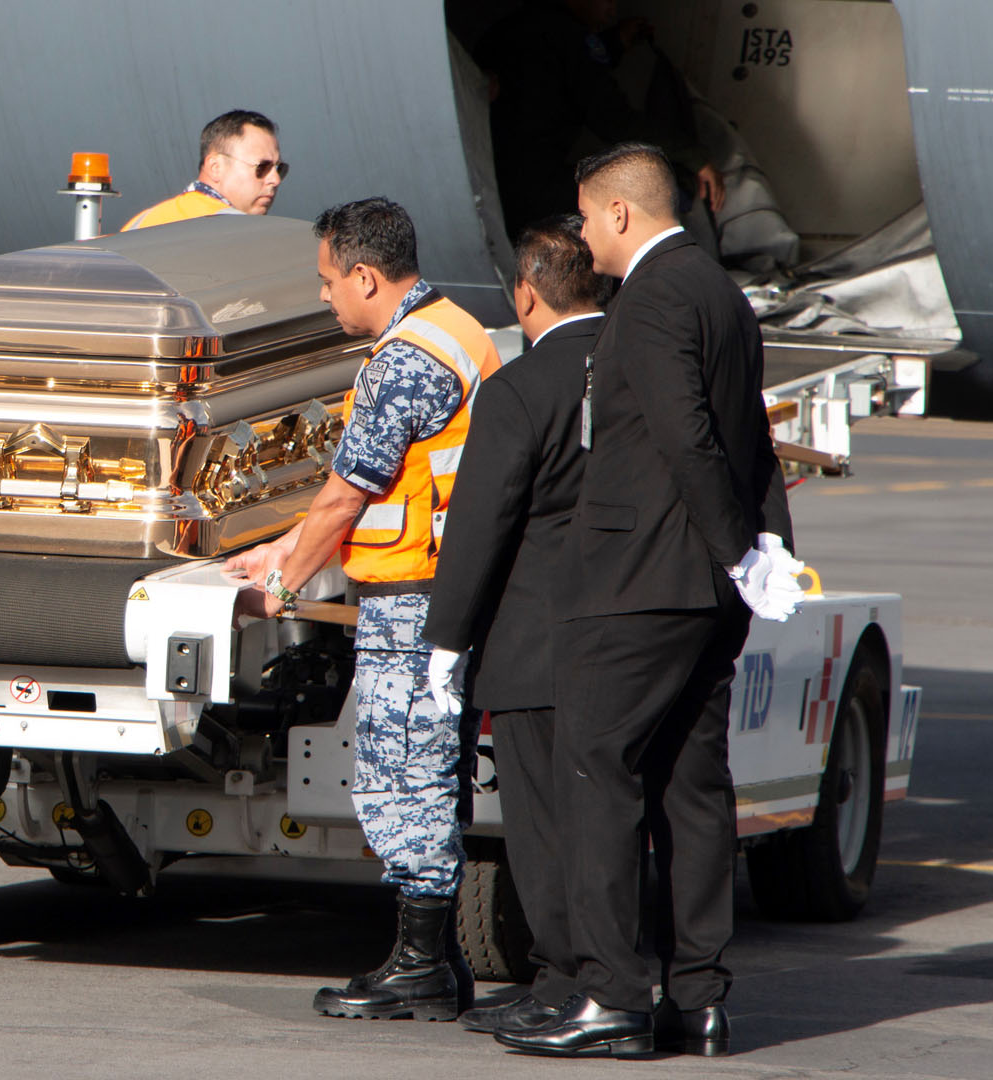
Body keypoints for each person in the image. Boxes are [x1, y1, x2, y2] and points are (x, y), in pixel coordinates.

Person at [495, 143, 801, 1059]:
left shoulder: (656, 295)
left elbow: (687, 435)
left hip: (638, 583)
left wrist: (738, 547)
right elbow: (751, 438)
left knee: (596, 774)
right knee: (690, 786)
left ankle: (613, 995)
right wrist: (763, 548)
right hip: (702, 589)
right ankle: (698, 997)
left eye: (589, 217)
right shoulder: (720, 292)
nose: (585, 237)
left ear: (621, 213)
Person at [226, 197, 500, 1021]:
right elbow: (375, 487)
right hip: (447, 590)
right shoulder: (455, 328)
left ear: (367, 276)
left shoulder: (402, 360)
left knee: (400, 777)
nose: (324, 296)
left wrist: (280, 588)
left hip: (411, 603)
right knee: (432, 772)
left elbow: (348, 496)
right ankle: (439, 961)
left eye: (328, 280)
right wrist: (284, 548)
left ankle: (419, 966)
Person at [420, 216, 610, 1036]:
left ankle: (562, 977)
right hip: (631, 634)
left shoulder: (521, 388)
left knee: (541, 826)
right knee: (611, 817)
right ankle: (618, 975)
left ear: (526, 295)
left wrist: (447, 636)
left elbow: (480, 523)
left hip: (537, 639)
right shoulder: (640, 368)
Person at [471, 0, 723, 240]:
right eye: (607, 0)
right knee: (648, 196)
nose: (612, 10)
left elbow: (563, 72)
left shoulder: (513, 28)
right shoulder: (568, 35)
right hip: (534, 189)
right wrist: (694, 157)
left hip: (487, 181)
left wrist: (612, 43)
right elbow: (615, 121)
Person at [120, 109, 286, 230]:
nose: (275, 180)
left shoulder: (140, 223)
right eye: (262, 167)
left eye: (279, 169)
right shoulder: (244, 234)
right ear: (215, 167)